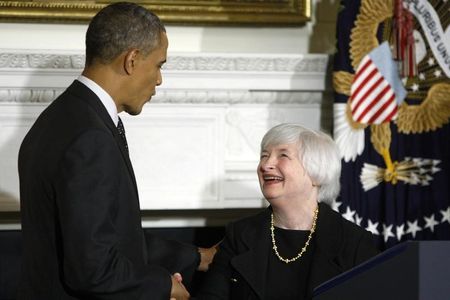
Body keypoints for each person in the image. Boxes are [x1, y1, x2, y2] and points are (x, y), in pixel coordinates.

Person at [18, 2, 214, 299]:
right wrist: (164, 286)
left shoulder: (59, 118)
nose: (159, 79)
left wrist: (197, 257)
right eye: (159, 64)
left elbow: (110, 236)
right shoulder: (89, 138)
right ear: (132, 60)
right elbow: (94, 270)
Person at [196, 123, 379, 299]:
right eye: (264, 155)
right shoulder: (239, 235)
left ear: (316, 172)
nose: (265, 165)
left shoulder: (354, 242)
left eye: (282, 155)